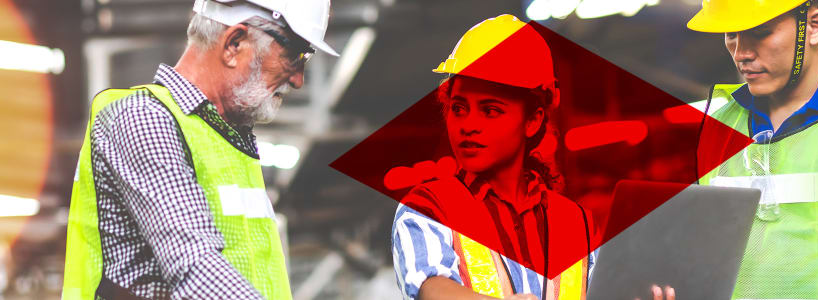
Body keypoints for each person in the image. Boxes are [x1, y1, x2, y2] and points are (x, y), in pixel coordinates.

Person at [61, 0, 339, 299]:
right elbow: (194, 266)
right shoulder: (144, 119)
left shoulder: (229, 144)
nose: (298, 80)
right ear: (234, 43)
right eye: (296, 55)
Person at [390, 15, 613, 300]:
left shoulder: (577, 223)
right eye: (459, 108)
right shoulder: (429, 207)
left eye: (490, 110)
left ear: (532, 120)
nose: (468, 125)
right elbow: (431, 288)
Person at [689, 0, 818, 299]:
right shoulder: (717, 127)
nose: (741, 54)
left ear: (815, 26)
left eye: (760, 32)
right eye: (731, 35)